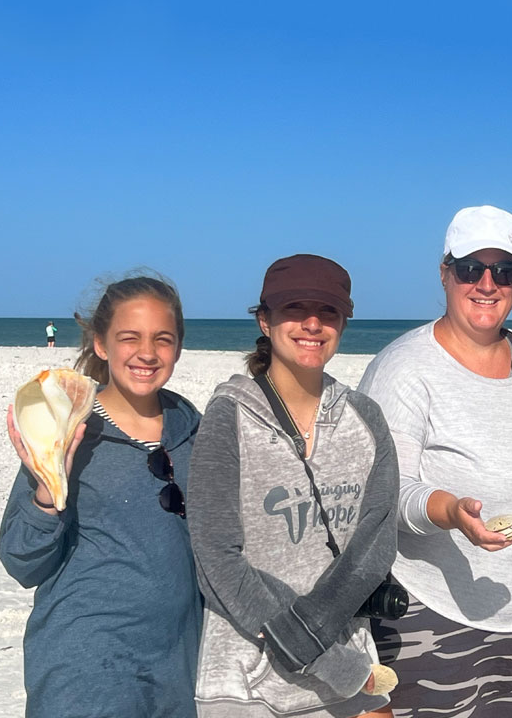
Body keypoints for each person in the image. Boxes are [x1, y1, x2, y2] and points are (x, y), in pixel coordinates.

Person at [358, 206, 512, 718]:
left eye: (505, 271)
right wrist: (448, 510)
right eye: (472, 268)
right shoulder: (404, 367)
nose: (487, 284)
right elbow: (385, 491)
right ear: (445, 271)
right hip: (429, 616)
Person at [187, 253, 400, 718]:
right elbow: (216, 558)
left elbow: (376, 538)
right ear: (264, 320)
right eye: (293, 309)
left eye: (327, 311)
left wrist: (345, 668)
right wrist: (325, 656)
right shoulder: (229, 418)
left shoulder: (365, 418)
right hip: (247, 679)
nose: (311, 324)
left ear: (343, 321)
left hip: (348, 674)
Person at [0, 275, 203, 718]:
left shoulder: (195, 431)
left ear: (179, 347)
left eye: (162, 339)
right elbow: (21, 561)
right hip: (84, 670)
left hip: (175, 669)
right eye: (129, 338)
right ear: (101, 345)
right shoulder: (68, 430)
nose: (147, 353)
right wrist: (47, 494)